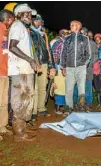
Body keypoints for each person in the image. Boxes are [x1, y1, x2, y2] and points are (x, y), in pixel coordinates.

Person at [8, 3, 39, 142]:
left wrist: (32, 61)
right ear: (19, 14)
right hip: (19, 69)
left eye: (30, 14)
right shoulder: (17, 26)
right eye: (26, 14)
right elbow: (12, 47)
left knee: (26, 98)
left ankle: (22, 127)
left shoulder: (22, 28)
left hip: (25, 69)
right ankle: (18, 133)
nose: (29, 16)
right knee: (20, 100)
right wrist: (30, 60)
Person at [61, 20, 91, 114]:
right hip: (69, 68)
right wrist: (64, 66)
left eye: (73, 25)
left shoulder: (85, 38)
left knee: (81, 88)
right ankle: (68, 108)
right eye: (71, 25)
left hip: (81, 68)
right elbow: (63, 53)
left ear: (78, 26)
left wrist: (83, 64)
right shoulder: (67, 38)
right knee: (69, 89)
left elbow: (88, 54)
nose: (71, 26)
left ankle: (81, 106)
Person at [30, 13, 52, 119]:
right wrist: (34, 62)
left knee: (43, 87)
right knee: (34, 88)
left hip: (43, 63)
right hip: (33, 63)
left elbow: (48, 49)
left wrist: (51, 65)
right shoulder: (28, 32)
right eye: (36, 20)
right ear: (31, 21)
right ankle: (33, 112)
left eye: (39, 20)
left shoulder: (43, 34)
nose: (38, 22)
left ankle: (41, 108)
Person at [73, 27, 98, 111]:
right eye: (81, 32)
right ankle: (77, 104)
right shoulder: (75, 42)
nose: (83, 34)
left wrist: (88, 64)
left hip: (88, 70)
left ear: (87, 34)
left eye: (84, 33)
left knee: (88, 88)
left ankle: (88, 104)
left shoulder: (92, 43)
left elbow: (95, 56)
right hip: (77, 69)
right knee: (76, 87)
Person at [0, 9, 14, 136]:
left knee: (3, 101)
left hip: (5, 72)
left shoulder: (5, 30)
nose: (12, 22)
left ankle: (2, 126)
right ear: (8, 18)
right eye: (12, 19)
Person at [93, 33, 101, 109]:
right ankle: (99, 103)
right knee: (97, 88)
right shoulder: (93, 47)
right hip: (94, 71)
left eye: (99, 39)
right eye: (96, 39)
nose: (97, 40)